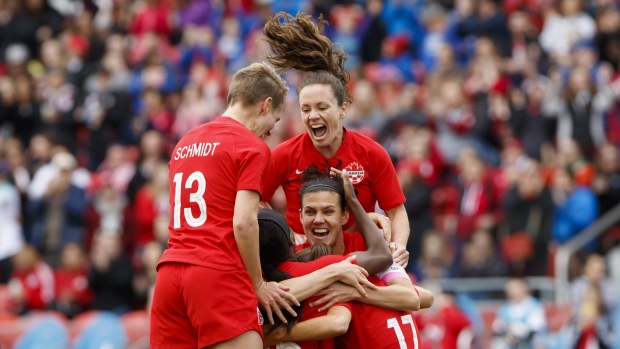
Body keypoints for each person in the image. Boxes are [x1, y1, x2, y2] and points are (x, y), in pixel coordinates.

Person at [150, 62, 298, 349]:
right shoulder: (251, 146)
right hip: (215, 273)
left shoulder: (185, 141)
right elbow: (243, 222)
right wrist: (258, 284)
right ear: (266, 105)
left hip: (170, 274)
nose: (269, 132)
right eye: (276, 121)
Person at [261, 12, 410, 267]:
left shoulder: (372, 153)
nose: (313, 115)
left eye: (321, 107)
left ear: (342, 109)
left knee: (414, 300)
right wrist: (285, 233)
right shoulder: (284, 154)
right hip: (303, 265)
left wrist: (398, 247)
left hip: (362, 264)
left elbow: (396, 212)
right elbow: (254, 200)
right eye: (306, 109)